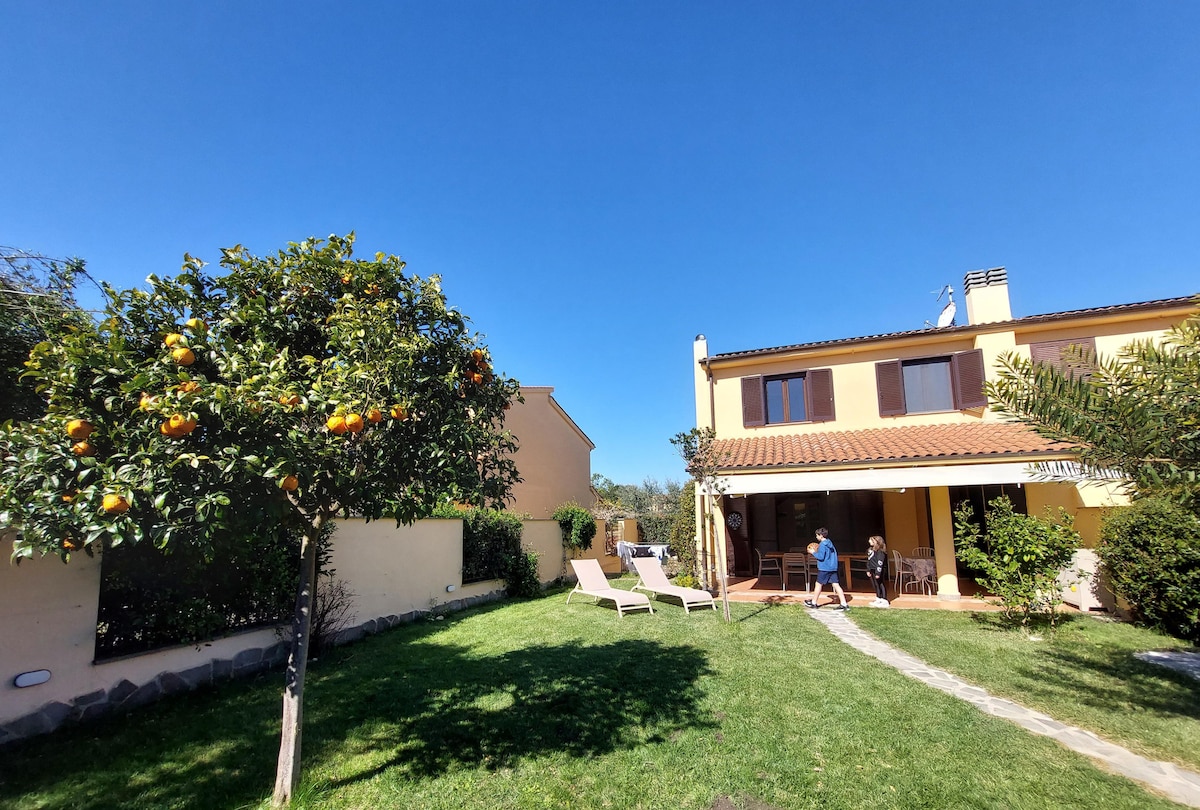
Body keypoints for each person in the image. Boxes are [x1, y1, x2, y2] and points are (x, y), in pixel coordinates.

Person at [804, 527, 849, 611]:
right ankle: (844, 604)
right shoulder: (830, 543)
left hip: (824, 568)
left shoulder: (822, 545)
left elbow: (821, 557)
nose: (816, 537)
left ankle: (814, 602)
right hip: (832, 567)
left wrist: (813, 552)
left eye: (817, 535)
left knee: (818, 584)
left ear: (821, 535)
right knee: (836, 585)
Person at [865, 535, 890, 607]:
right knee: (875, 584)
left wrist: (878, 573)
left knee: (880, 584)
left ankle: (884, 600)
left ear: (877, 541)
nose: (869, 541)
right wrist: (868, 570)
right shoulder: (871, 550)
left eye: (871, 540)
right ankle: (878, 598)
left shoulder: (880, 551)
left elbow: (880, 562)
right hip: (872, 569)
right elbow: (869, 560)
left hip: (878, 570)